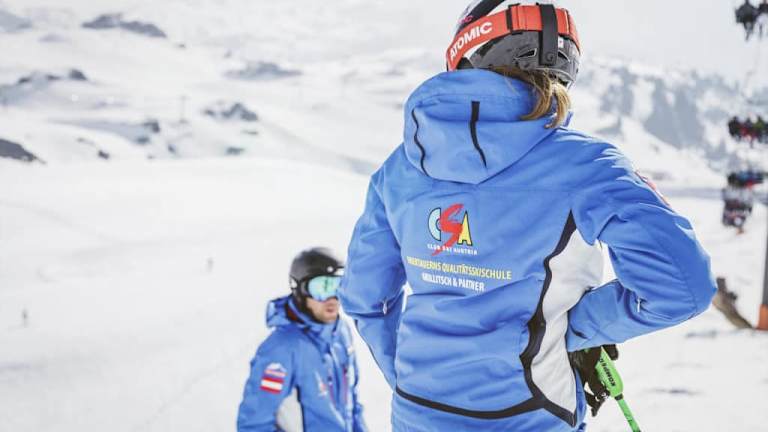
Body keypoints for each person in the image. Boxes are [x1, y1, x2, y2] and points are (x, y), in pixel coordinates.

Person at [338, 2, 717, 431]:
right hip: (532, 413)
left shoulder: (400, 169)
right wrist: (573, 329)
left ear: (466, 54)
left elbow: (366, 299)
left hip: (417, 414)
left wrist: (410, 380)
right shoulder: (588, 165)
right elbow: (682, 288)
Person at [237, 248, 367, 432]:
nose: (332, 298)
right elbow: (254, 425)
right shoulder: (281, 349)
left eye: (338, 285)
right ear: (301, 290)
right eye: (322, 287)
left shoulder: (341, 332)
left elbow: (352, 405)